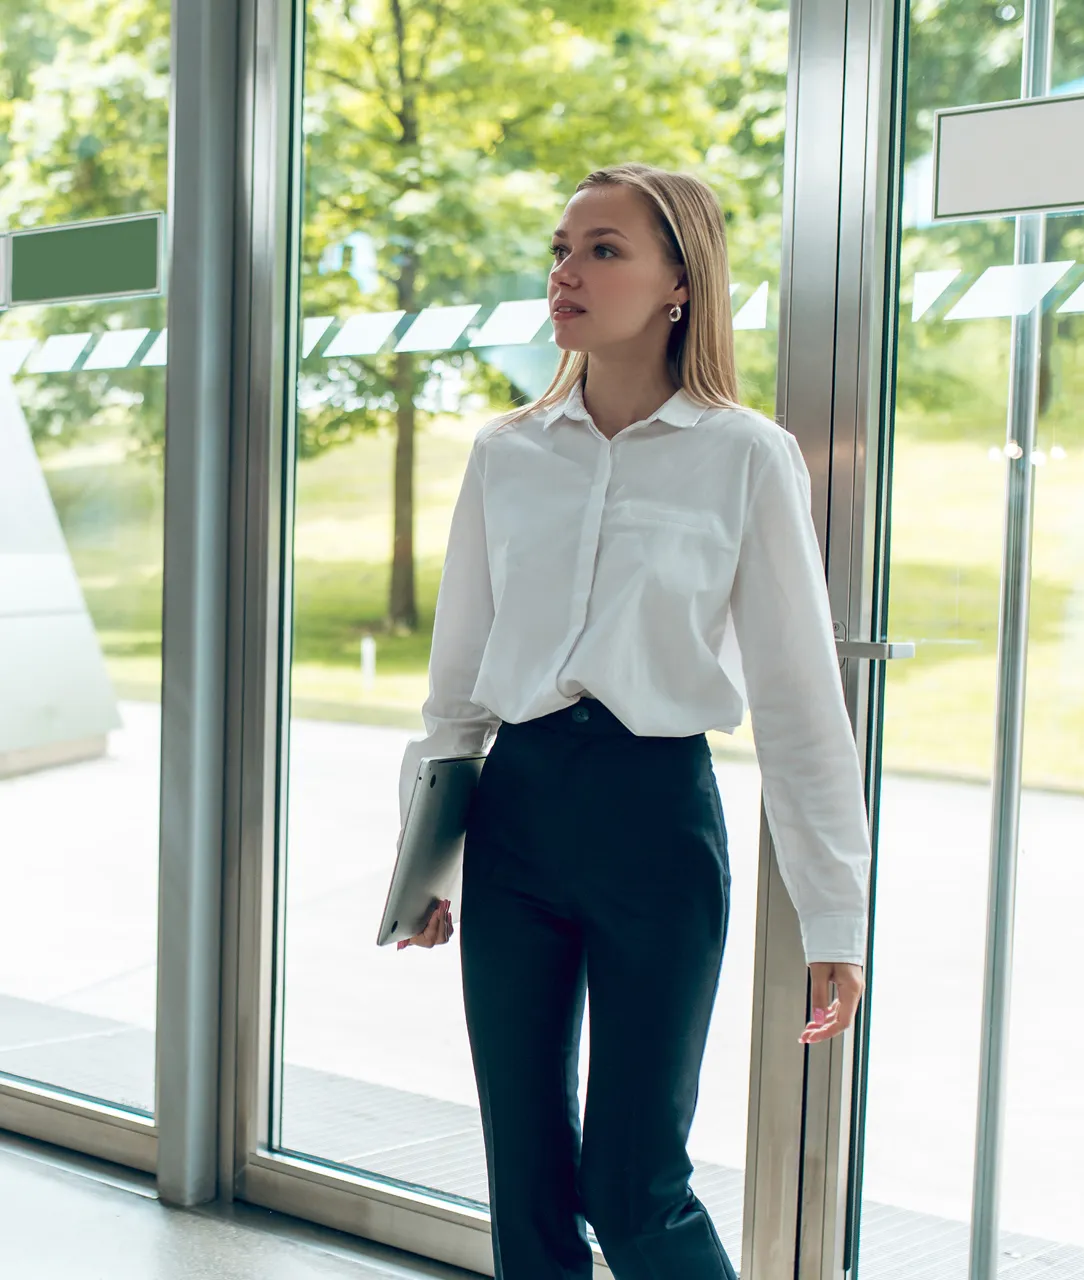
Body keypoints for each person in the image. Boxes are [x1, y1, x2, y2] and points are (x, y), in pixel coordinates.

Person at [395, 162, 871, 1280]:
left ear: (677, 285)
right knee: (525, 1174)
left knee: (632, 1174)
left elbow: (802, 701)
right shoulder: (504, 454)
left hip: (655, 820)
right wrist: (425, 861)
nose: (567, 270)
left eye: (602, 249)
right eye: (562, 248)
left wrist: (834, 913)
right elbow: (457, 682)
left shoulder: (745, 456)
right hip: (515, 818)